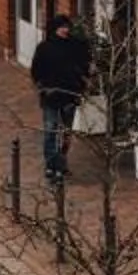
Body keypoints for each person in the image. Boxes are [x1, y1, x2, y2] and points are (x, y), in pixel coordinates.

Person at [30, 14, 92, 185]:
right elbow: (36, 70)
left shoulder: (74, 47)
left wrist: (81, 86)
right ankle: (51, 165)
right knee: (51, 131)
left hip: (69, 95)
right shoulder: (44, 48)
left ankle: (61, 163)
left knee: (66, 133)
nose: (65, 30)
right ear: (54, 29)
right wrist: (43, 87)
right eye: (62, 27)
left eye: (67, 27)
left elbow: (84, 66)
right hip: (51, 95)